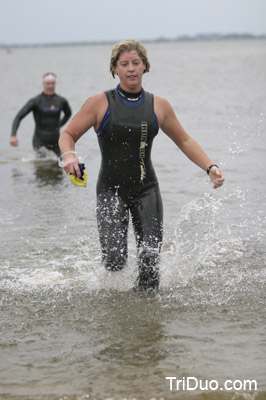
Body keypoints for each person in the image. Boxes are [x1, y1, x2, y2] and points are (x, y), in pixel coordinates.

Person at [59, 40, 224, 291]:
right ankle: (117, 314)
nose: (131, 68)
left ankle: (146, 320)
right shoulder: (99, 103)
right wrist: (69, 156)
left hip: (147, 190)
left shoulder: (159, 105)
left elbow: (184, 139)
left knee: (150, 265)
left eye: (136, 63)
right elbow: (67, 134)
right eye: (124, 64)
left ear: (145, 66)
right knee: (114, 261)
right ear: (114, 68)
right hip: (110, 190)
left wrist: (209, 167)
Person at [10, 72, 72, 156]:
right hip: (40, 140)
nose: (50, 86)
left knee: (58, 165)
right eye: (48, 83)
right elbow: (18, 117)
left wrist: (59, 125)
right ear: (43, 84)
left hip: (56, 140)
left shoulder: (61, 101)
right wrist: (13, 135)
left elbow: (68, 114)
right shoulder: (36, 101)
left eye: (52, 83)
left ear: (55, 84)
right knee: (41, 164)